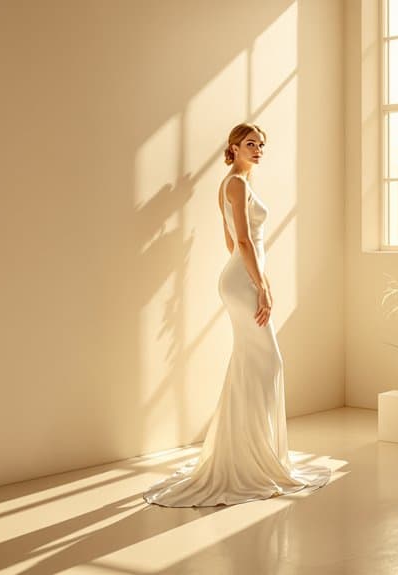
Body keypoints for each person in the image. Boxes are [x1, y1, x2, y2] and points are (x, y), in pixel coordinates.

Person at [142, 123, 331, 507]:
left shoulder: (232, 183)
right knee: (267, 362)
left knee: (252, 363)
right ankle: (248, 458)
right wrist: (260, 285)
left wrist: (258, 279)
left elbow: (231, 241)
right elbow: (242, 241)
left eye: (262, 144)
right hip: (242, 282)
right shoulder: (237, 185)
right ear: (234, 147)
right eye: (250, 144)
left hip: (241, 277)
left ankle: (248, 452)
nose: (258, 149)